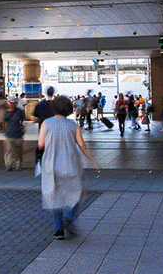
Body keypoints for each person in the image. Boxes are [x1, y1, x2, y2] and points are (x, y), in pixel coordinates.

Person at [39, 95, 100, 240]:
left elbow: (40, 144)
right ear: (68, 109)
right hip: (71, 164)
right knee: (76, 195)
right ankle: (69, 216)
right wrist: (93, 161)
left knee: (55, 198)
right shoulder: (73, 125)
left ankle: (59, 231)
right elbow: (82, 146)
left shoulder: (46, 123)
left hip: (51, 166)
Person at [1, 98, 26, 171]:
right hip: (9, 134)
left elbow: (23, 121)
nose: (12, 105)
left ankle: (18, 164)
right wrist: (4, 129)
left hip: (18, 134)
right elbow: (3, 122)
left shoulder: (20, 111)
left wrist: (23, 128)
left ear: (16, 103)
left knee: (18, 151)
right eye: (10, 103)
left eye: (13, 103)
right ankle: (8, 165)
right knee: (8, 151)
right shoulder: (6, 112)